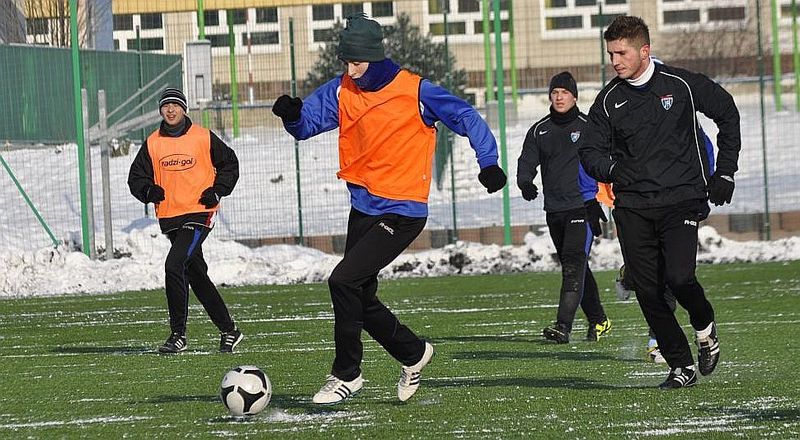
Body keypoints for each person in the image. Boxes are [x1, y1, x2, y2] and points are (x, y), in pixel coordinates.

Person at [271, 13, 506, 404]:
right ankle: (413, 353)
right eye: (345, 62)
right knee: (359, 296)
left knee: (342, 281)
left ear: (375, 57)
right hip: (362, 205)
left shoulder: (415, 90)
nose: (350, 70)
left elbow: (464, 116)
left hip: (402, 211)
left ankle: (347, 373)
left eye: (356, 62)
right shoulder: (342, 89)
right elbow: (308, 124)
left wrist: (489, 162)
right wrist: (293, 115)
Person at [579, 16, 741, 389]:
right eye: (610, 53)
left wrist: (726, 172)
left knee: (679, 278)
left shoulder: (680, 84)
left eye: (622, 53)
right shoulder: (608, 100)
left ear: (644, 51)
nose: (615, 61)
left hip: (682, 199)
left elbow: (727, 112)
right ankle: (681, 365)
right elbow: (589, 150)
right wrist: (613, 168)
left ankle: (706, 330)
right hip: (633, 206)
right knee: (648, 290)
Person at [127, 88, 243, 354]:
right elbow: (136, 178)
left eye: (175, 105)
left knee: (174, 264)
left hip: (200, 213)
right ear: (160, 110)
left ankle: (178, 335)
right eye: (166, 105)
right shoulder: (153, 142)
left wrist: (217, 189)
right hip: (171, 217)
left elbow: (230, 164)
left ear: (184, 109)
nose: (170, 110)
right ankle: (229, 330)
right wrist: (148, 191)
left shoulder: (202, 137)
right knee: (196, 274)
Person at [516, 71, 611, 345]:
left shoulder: (588, 126)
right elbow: (527, 161)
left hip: (583, 207)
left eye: (564, 92)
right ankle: (599, 319)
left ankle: (563, 326)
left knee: (573, 265)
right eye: (555, 92)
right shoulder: (539, 130)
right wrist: (525, 182)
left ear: (574, 96)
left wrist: (598, 198)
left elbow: (604, 161)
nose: (559, 97)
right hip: (554, 210)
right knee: (575, 266)